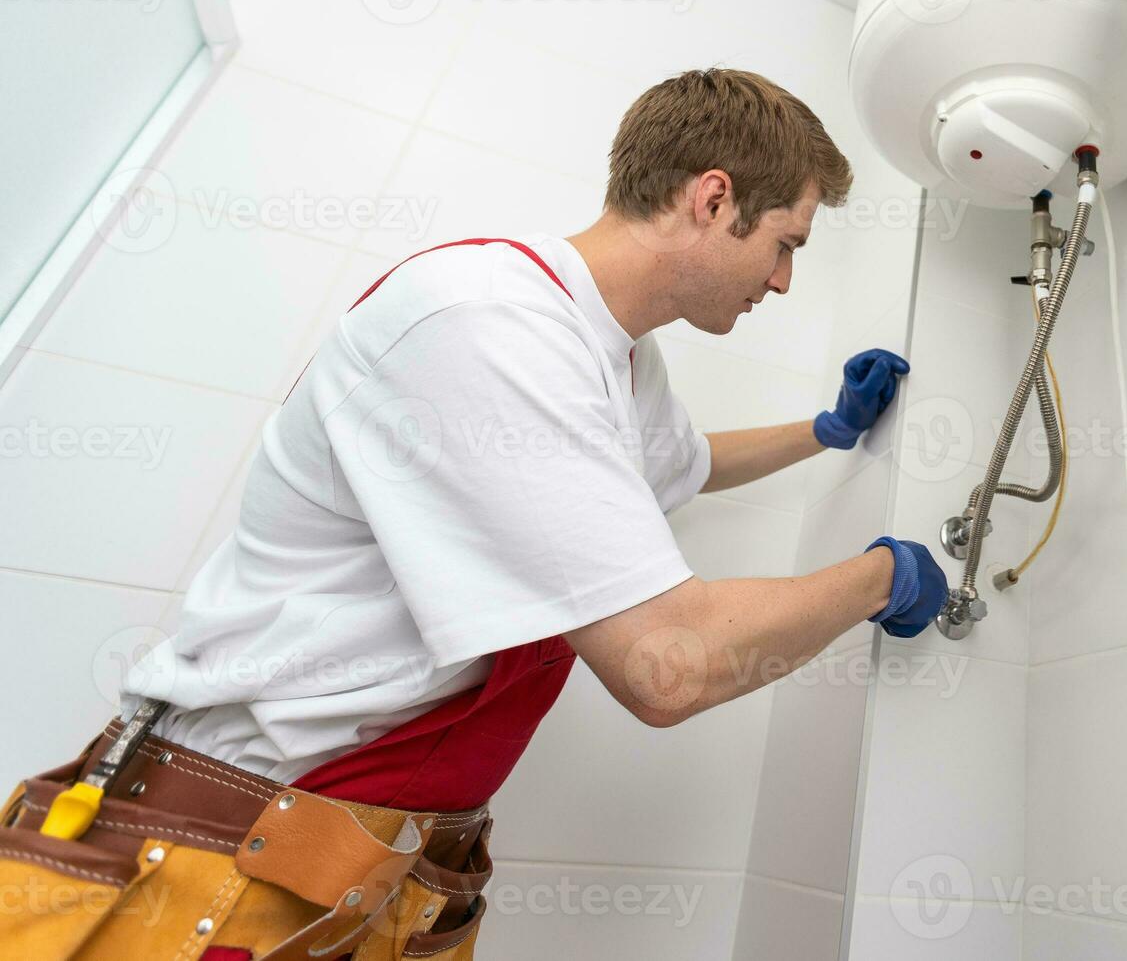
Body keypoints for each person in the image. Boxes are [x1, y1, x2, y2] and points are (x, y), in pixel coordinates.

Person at [0, 67, 947, 960]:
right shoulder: (486, 324)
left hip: (371, 858)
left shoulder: (614, 358)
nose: (783, 280)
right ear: (713, 199)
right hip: (230, 832)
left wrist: (826, 431)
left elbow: (685, 465)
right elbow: (670, 666)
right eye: (786, 242)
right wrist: (878, 578)